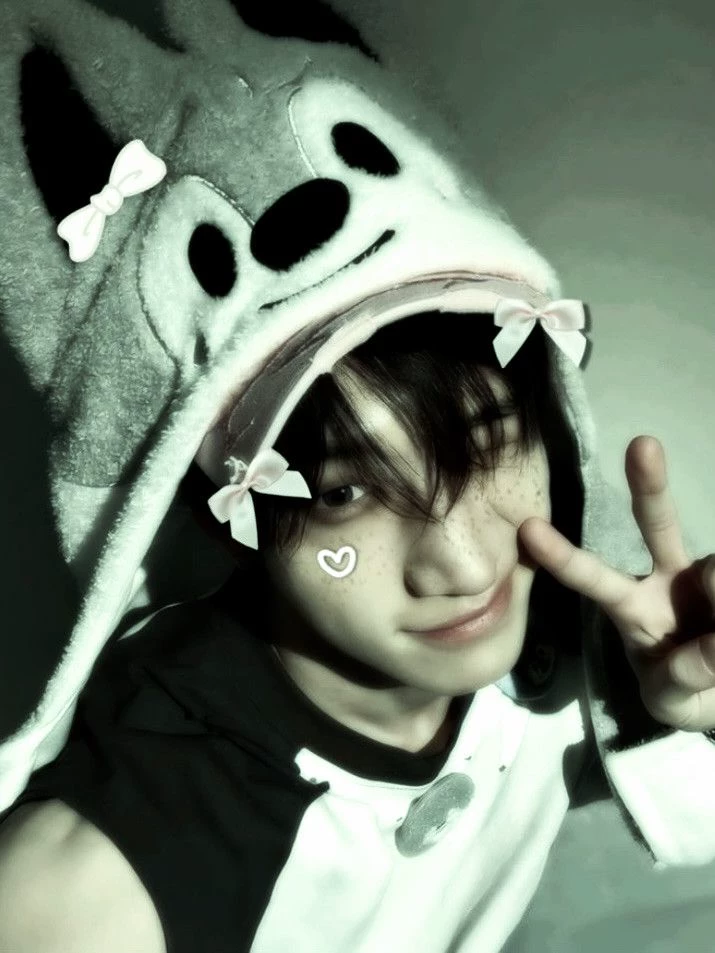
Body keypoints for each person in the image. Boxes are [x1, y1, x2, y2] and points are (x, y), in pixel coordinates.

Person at [2, 0, 715, 951]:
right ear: (225, 514)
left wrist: (675, 711)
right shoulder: (95, 882)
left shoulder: (571, 632)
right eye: (345, 493)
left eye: (487, 437)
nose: (465, 565)